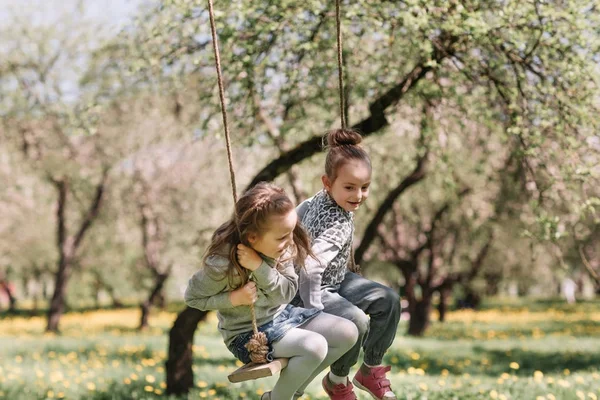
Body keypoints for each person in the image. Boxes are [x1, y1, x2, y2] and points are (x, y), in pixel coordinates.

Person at [185, 182, 358, 400]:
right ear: (252, 238)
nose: (289, 242)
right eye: (281, 237)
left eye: (291, 233)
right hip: (248, 335)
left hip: (283, 316)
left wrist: (260, 268)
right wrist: (233, 298)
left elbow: (285, 294)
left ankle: (287, 393)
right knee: (315, 346)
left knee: (347, 333)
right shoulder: (223, 265)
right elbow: (192, 298)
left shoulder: (282, 251)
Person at [294, 129, 401, 400]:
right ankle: (337, 379)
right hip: (309, 289)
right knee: (355, 322)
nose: (359, 195)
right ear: (328, 183)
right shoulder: (337, 225)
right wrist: (314, 309)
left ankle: (370, 368)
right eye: (350, 187)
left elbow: (297, 214)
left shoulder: (320, 197)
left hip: (336, 278)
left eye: (365, 187)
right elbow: (310, 268)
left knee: (388, 300)